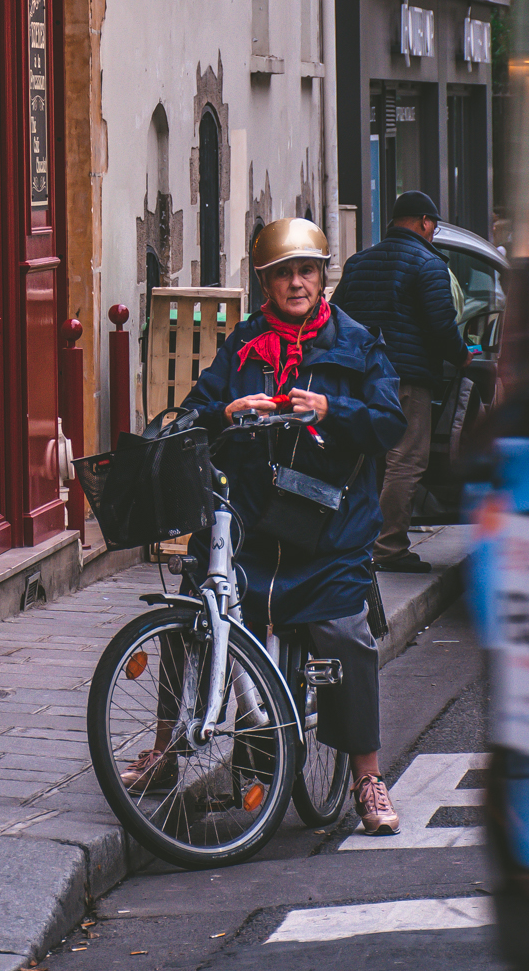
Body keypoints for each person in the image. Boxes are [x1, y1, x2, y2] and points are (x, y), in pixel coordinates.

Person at [121, 218, 408, 837]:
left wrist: (334, 408)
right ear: (265, 283)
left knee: (344, 634)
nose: (296, 283)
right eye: (283, 274)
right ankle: (168, 749)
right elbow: (196, 411)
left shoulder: (356, 343)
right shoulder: (243, 344)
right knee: (191, 610)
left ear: (322, 276)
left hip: (330, 527)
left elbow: (391, 420)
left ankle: (367, 776)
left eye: (306, 271)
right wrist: (228, 411)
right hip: (252, 525)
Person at [332, 190, 469, 575]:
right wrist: (462, 356)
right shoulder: (428, 264)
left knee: (368, 461)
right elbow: (442, 325)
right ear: (425, 222)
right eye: (434, 225)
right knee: (405, 461)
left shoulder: (358, 263)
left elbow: (337, 317)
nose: (433, 232)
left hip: (362, 377)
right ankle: (389, 547)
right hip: (407, 379)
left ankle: (359, 540)